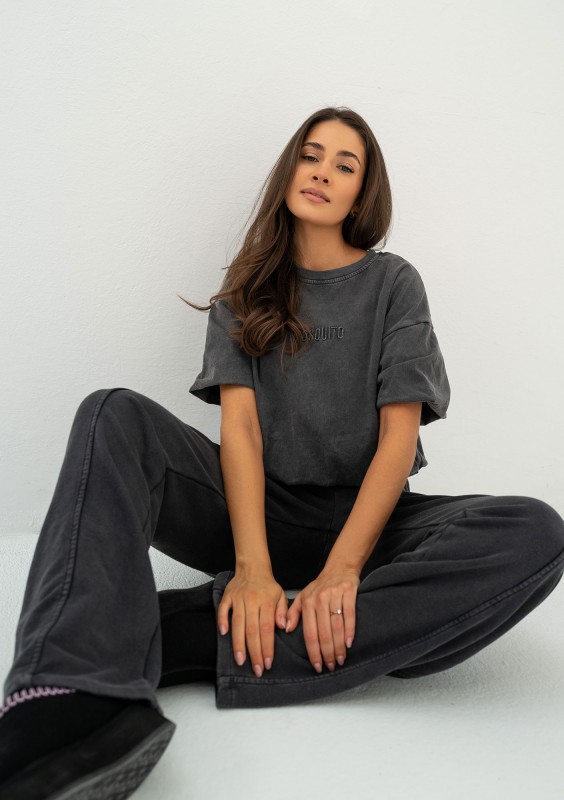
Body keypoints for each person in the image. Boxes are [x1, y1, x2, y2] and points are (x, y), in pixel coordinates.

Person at [1, 106, 563, 799]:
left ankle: (184, 637)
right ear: (290, 170)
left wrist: (343, 570)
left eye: (344, 165)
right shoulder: (245, 290)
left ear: (362, 193)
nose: (322, 172)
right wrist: (253, 569)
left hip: (371, 522)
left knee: (533, 531)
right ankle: (66, 695)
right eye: (311, 155)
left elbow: (397, 440)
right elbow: (240, 432)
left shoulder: (393, 283)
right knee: (111, 412)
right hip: (258, 515)